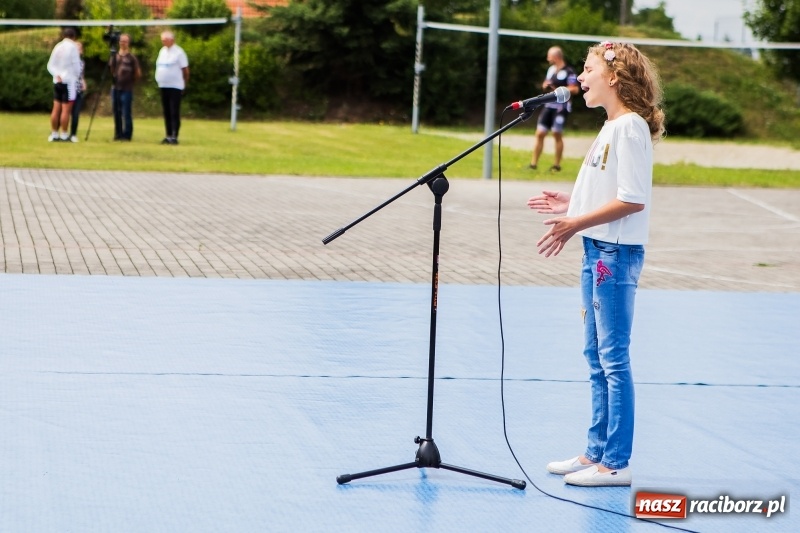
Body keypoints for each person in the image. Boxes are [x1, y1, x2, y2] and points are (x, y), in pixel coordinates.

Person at [527, 41, 665, 487]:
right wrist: (574, 202)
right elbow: (610, 190)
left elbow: (632, 199)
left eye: (585, 71)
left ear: (613, 78)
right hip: (597, 250)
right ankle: (595, 451)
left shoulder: (629, 128)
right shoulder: (611, 128)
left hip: (613, 255)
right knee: (595, 355)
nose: (579, 79)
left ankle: (616, 463)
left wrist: (572, 223)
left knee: (612, 357)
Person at [529, 46, 580, 172]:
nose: (547, 59)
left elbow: (575, 89)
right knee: (540, 133)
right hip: (548, 106)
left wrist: (561, 91)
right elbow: (546, 83)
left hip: (561, 107)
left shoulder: (569, 71)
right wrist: (545, 86)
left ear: (556, 57)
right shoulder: (551, 70)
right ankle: (533, 164)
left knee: (556, 134)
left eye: (549, 56)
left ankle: (556, 165)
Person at [46, 27, 82, 142]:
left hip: (58, 81)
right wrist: (77, 76)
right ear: (74, 37)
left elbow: (50, 65)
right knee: (66, 110)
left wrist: (56, 74)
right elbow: (76, 66)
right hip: (69, 81)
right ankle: (65, 134)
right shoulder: (73, 47)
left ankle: (54, 133)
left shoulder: (58, 46)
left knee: (56, 108)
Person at [154, 31, 189, 145]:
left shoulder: (179, 52)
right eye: (162, 40)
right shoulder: (162, 51)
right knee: (166, 111)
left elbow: (185, 70)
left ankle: (174, 135)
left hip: (175, 86)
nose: (163, 41)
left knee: (174, 111)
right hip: (164, 85)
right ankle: (168, 135)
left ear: (172, 40)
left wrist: (183, 83)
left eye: (165, 39)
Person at [110, 34, 142, 141]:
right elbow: (112, 69)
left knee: (126, 112)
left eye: (125, 41)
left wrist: (131, 81)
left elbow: (137, 73)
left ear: (128, 43)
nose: (123, 43)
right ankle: (118, 133)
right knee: (116, 111)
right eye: (121, 41)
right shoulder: (114, 56)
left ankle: (127, 134)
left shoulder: (131, 58)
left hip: (127, 88)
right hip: (116, 88)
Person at [68, 41, 87, 143]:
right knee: (66, 112)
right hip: (70, 88)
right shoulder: (69, 61)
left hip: (78, 89)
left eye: (79, 48)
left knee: (75, 113)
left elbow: (81, 75)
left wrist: (83, 82)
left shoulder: (82, 62)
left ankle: (73, 133)